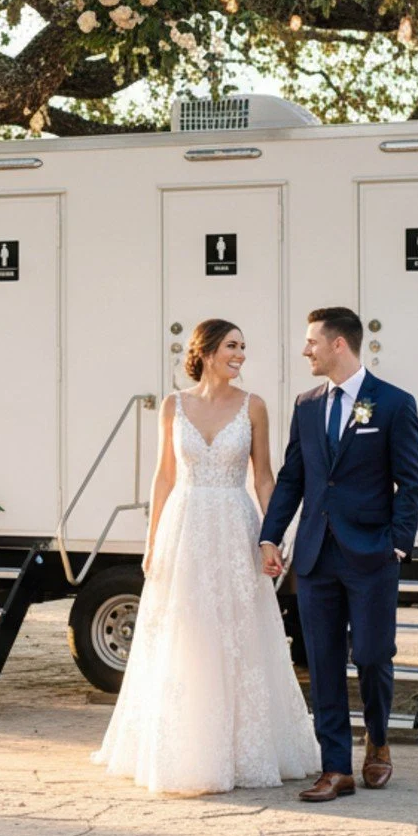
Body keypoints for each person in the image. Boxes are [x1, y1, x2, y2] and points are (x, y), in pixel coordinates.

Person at [92, 319, 317, 795]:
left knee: (239, 632)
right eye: (232, 346)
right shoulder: (173, 405)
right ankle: (187, 748)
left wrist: (271, 535)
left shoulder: (254, 406)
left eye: (243, 346)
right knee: (186, 632)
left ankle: (243, 749)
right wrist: (152, 543)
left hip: (236, 525)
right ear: (208, 351)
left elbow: (263, 476)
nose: (240, 354)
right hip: (185, 526)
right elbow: (163, 477)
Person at [259, 306, 418, 802]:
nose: (305, 349)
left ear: (338, 344)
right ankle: (336, 768)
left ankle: (377, 738)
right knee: (323, 662)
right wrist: (271, 535)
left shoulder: (393, 403)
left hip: (372, 553)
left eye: (312, 341)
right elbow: (293, 477)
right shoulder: (306, 405)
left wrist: (396, 542)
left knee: (373, 656)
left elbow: (411, 481)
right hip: (314, 555)